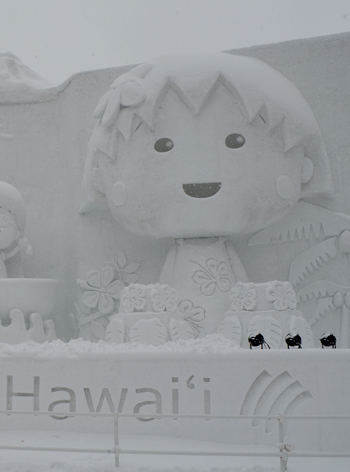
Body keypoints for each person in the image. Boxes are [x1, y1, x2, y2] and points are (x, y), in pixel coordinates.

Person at [81, 52, 333, 333]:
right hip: (174, 325)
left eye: (235, 141)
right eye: (163, 145)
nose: (199, 167)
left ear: (305, 168)